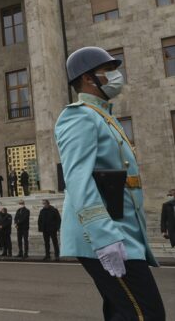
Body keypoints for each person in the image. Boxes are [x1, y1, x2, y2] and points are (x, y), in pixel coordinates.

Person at [56, 46, 165, 319]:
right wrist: (104, 237)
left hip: (123, 231)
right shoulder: (78, 115)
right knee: (146, 314)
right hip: (108, 234)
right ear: (87, 78)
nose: (115, 76)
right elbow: (78, 179)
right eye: (107, 71)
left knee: (125, 312)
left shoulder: (105, 116)